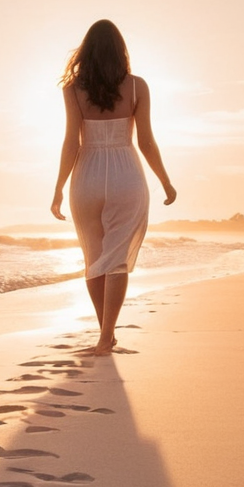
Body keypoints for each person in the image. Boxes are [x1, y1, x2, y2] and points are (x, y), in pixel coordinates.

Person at [51, 19, 177, 356]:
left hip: (87, 176)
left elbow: (71, 143)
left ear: (86, 52)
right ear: (121, 51)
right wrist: (165, 181)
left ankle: (104, 334)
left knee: (94, 257)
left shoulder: (73, 89)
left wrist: (59, 188)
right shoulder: (137, 87)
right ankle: (107, 336)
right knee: (117, 259)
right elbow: (146, 141)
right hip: (127, 176)